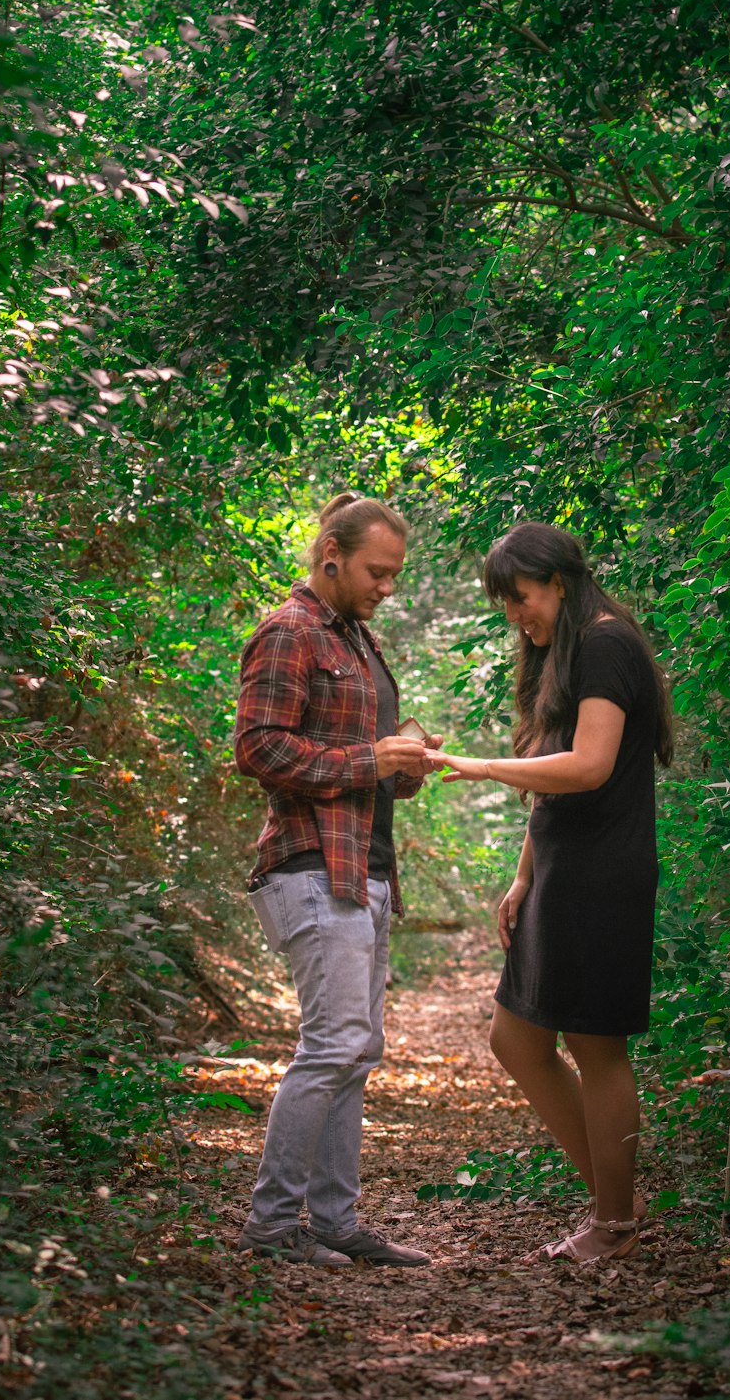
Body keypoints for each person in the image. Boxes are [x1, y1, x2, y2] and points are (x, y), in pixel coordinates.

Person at [432, 521, 673, 1265]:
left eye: (522, 597)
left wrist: (482, 766)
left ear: (559, 581)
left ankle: (614, 1223)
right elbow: (556, 782)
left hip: (605, 873)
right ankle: (617, 1196)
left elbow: (591, 765)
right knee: (518, 1038)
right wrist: (524, 869)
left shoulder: (605, 644)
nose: (517, 615)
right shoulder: (566, 651)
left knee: (596, 1046)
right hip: (564, 868)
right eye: (506, 604)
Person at [234, 491, 440, 1268]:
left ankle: (335, 1221)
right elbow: (258, 748)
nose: (387, 586)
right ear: (331, 555)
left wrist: (404, 759)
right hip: (310, 866)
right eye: (376, 572)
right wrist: (370, 759)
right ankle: (270, 1227)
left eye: (394, 575)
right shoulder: (289, 632)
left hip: (365, 871)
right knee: (331, 1047)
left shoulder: (357, 639)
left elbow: (365, 761)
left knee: (355, 1050)